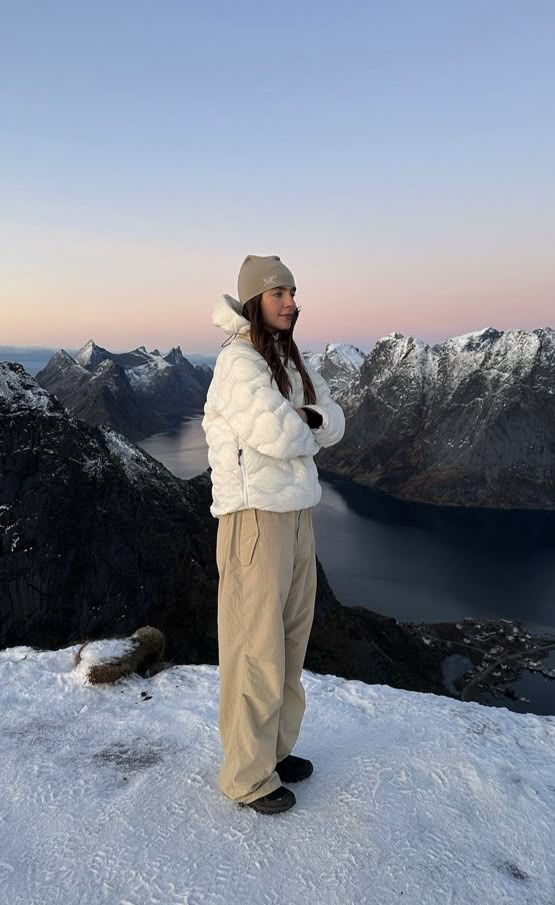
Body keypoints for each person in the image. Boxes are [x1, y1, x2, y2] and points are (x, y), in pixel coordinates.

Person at [201, 254, 346, 815]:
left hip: (296, 512)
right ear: (254, 300)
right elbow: (280, 434)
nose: (290, 301)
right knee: (254, 646)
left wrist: (306, 420)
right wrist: (307, 421)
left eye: (292, 291)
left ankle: (275, 751)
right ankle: (245, 775)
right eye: (278, 292)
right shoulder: (239, 362)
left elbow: (333, 419)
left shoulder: (286, 359)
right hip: (255, 517)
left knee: (289, 641)